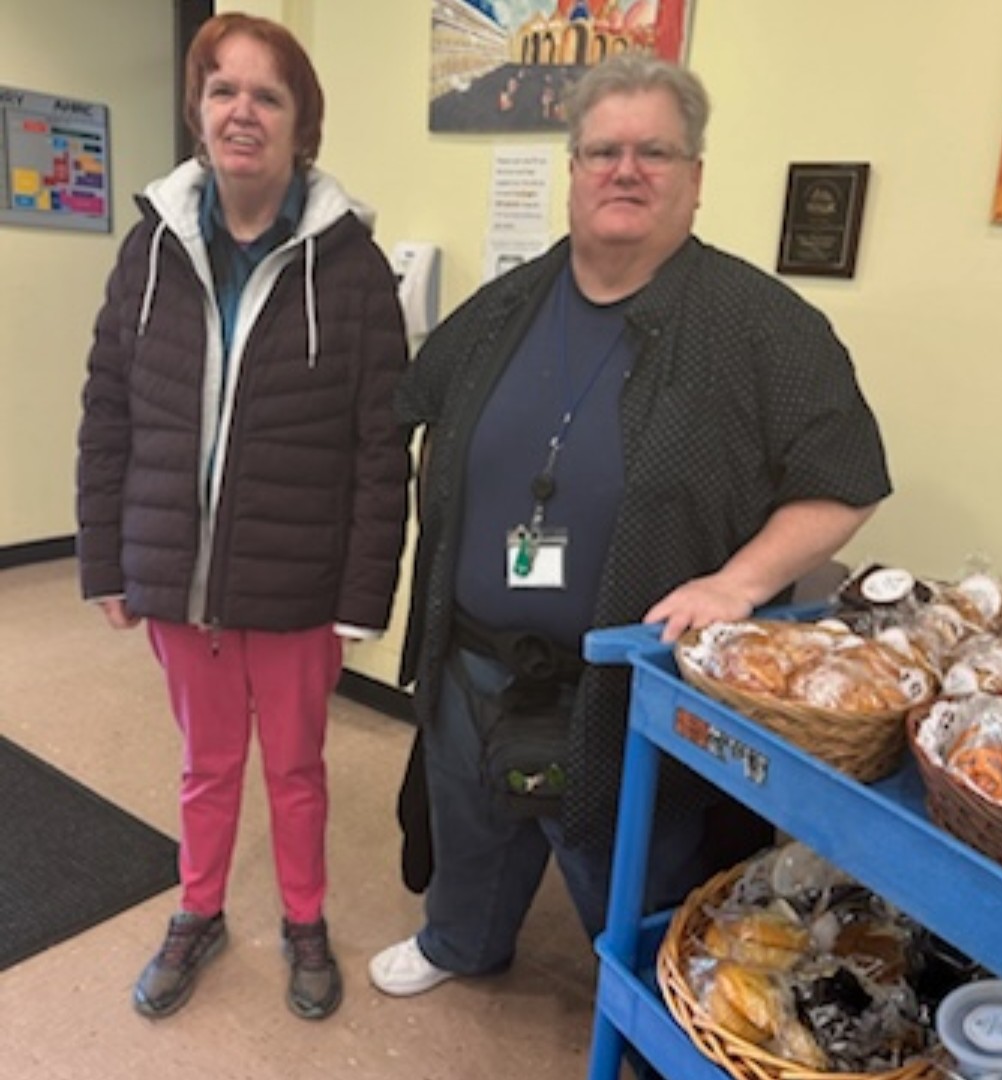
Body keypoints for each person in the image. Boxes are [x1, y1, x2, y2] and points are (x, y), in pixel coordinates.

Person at [368, 52, 891, 999]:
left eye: (655, 151)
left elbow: (845, 481)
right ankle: (459, 941)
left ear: (695, 178)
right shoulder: (502, 309)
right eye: (602, 149)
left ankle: (660, 1002)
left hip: (630, 682)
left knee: (638, 866)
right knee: (470, 821)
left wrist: (736, 583)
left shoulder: (762, 325)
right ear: (572, 172)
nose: (625, 169)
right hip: (475, 659)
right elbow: (414, 418)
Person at [76, 13, 410, 1020]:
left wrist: (364, 591)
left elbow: (380, 445)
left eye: (268, 95)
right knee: (205, 766)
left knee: (298, 770)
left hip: (299, 581)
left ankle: (304, 919)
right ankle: (200, 908)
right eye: (224, 90)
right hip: (178, 572)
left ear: (302, 125)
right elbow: (109, 406)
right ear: (199, 111)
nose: (242, 111)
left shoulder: (351, 270)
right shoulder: (150, 251)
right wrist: (105, 558)